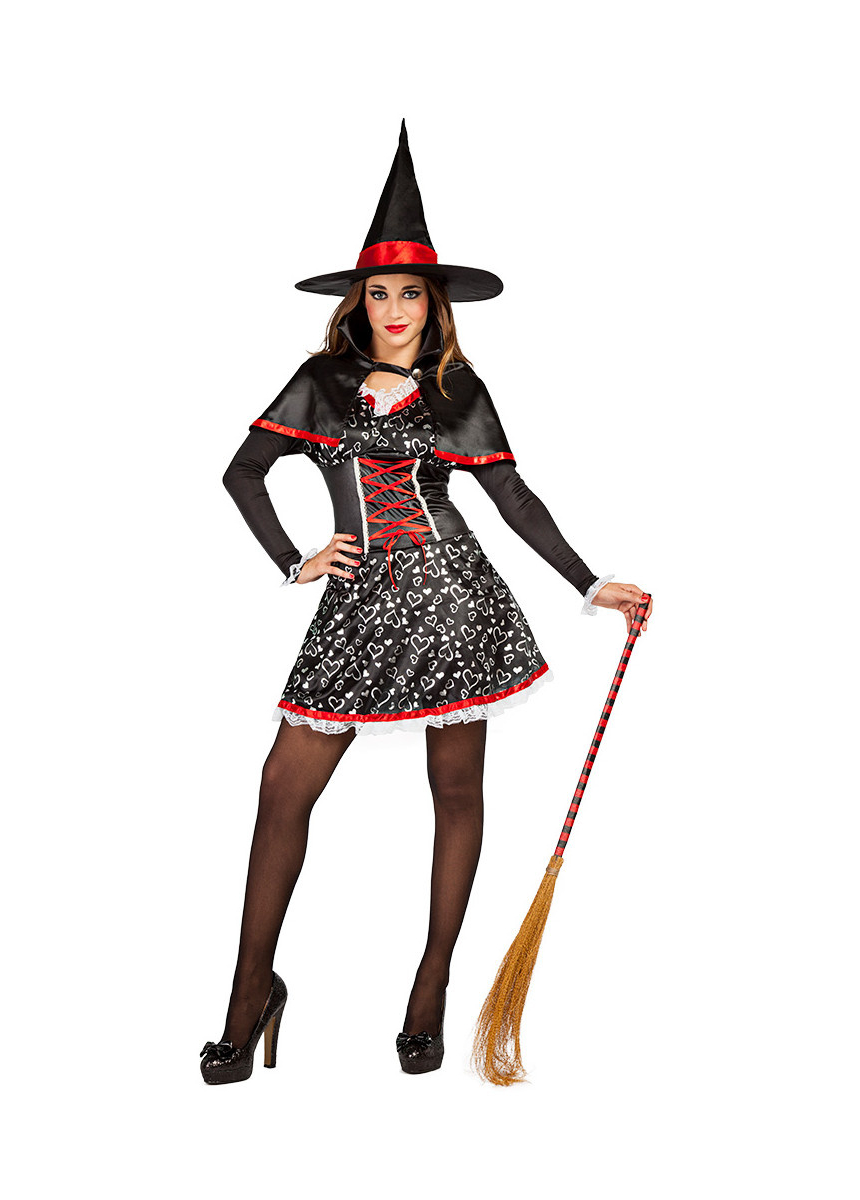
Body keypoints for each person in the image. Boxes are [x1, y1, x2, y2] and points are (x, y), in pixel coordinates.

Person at [199, 121, 652, 1084]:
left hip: (455, 603)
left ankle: (431, 987)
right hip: (357, 607)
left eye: (411, 293)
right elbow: (242, 473)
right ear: (358, 302)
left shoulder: (456, 388)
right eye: (380, 292)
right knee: (283, 790)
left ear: (433, 303)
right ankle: (249, 992)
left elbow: (511, 496)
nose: (396, 308)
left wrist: (588, 582)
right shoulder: (320, 383)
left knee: (455, 791)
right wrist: (293, 559)